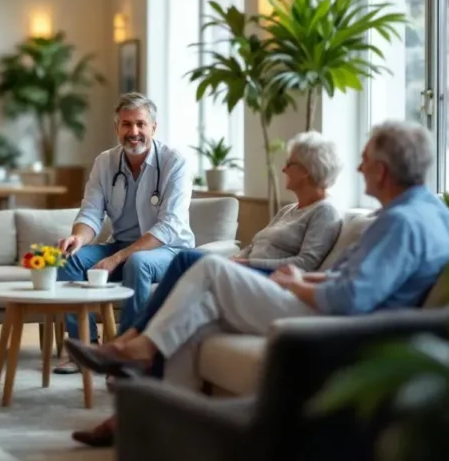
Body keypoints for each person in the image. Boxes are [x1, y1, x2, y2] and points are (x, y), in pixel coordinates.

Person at [64, 121, 449, 446]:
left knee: (204, 269)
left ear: (381, 170)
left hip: (331, 324)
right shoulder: (434, 214)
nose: (358, 169)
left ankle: (137, 346)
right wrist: (309, 277)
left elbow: (350, 297)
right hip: (333, 307)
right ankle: (158, 427)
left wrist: (298, 285)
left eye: (364, 161)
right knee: (197, 317)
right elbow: (359, 280)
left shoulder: (399, 222)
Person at [67, 130, 346, 447]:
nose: (283, 169)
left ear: (307, 170)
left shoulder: (325, 211)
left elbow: (305, 264)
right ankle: (131, 396)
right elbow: (253, 247)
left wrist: (244, 266)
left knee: (186, 259)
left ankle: (131, 343)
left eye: (290, 163)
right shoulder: (289, 209)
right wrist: (239, 260)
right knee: (182, 302)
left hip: (270, 286)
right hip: (245, 274)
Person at [52, 92, 195, 374]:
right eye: (127, 124)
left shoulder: (174, 163)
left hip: (168, 249)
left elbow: (168, 227)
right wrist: (78, 238)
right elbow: (91, 212)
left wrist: (117, 258)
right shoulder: (105, 162)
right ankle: (85, 348)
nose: (134, 132)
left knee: (137, 262)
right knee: (68, 259)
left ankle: (126, 352)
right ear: (117, 128)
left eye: (141, 124)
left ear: (154, 127)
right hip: (121, 245)